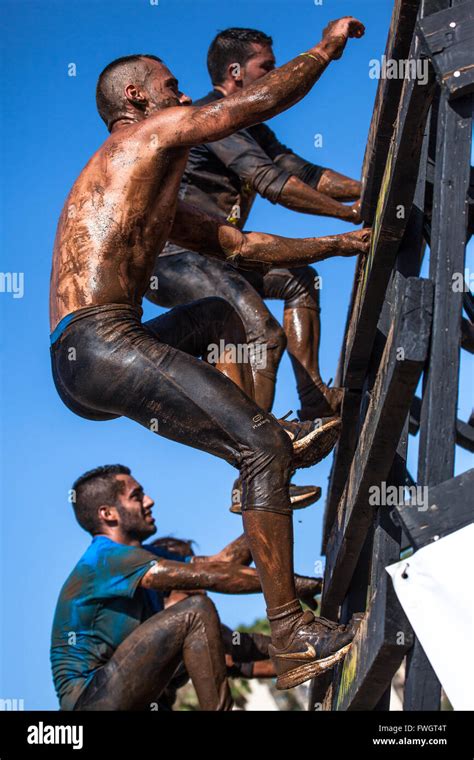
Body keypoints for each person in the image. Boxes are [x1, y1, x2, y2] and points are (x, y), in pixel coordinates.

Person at [49, 17, 367, 689]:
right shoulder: (141, 135)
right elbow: (252, 104)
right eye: (170, 87)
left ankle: (258, 444)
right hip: (105, 339)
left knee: (223, 316)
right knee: (262, 450)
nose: (183, 96)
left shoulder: (145, 186)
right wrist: (326, 49)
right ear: (135, 99)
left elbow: (243, 248)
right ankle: (293, 634)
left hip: (81, 361)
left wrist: (336, 246)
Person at [147, 26, 362, 421]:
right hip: (177, 260)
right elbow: (272, 183)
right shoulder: (210, 119)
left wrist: (368, 193)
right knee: (262, 336)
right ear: (235, 73)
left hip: (218, 254)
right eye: (268, 66)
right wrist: (351, 214)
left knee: (300, 279)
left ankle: (313, 398)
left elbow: (303, 172)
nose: (276, 74)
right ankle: (258, 466)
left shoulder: (251, 128)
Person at [51, 466, 321, 710]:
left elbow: (220, 564)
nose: (149, 501)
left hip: (138, 699)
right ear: (107, 514)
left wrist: (268, 507)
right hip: (90, 701)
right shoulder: (103, 560)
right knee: (195, 612)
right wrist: (301, 585)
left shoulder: (143, 557)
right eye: (137, 496)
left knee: (202, 624)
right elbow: (207, 578)